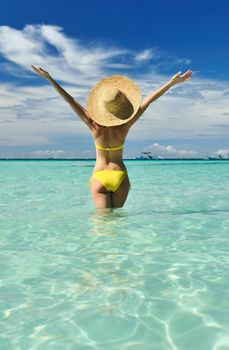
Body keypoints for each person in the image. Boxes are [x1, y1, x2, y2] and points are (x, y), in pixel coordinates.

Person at [31, 65, 192, 209]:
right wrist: (171, 83)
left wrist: (50, 79)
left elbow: (70, 100)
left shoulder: (93, 126)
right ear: (121, 109)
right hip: (119, 176)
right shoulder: (124, 126)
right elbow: (147, 102)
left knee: (103, 227)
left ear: (101, 108)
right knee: (117, 224)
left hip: (99, 177)